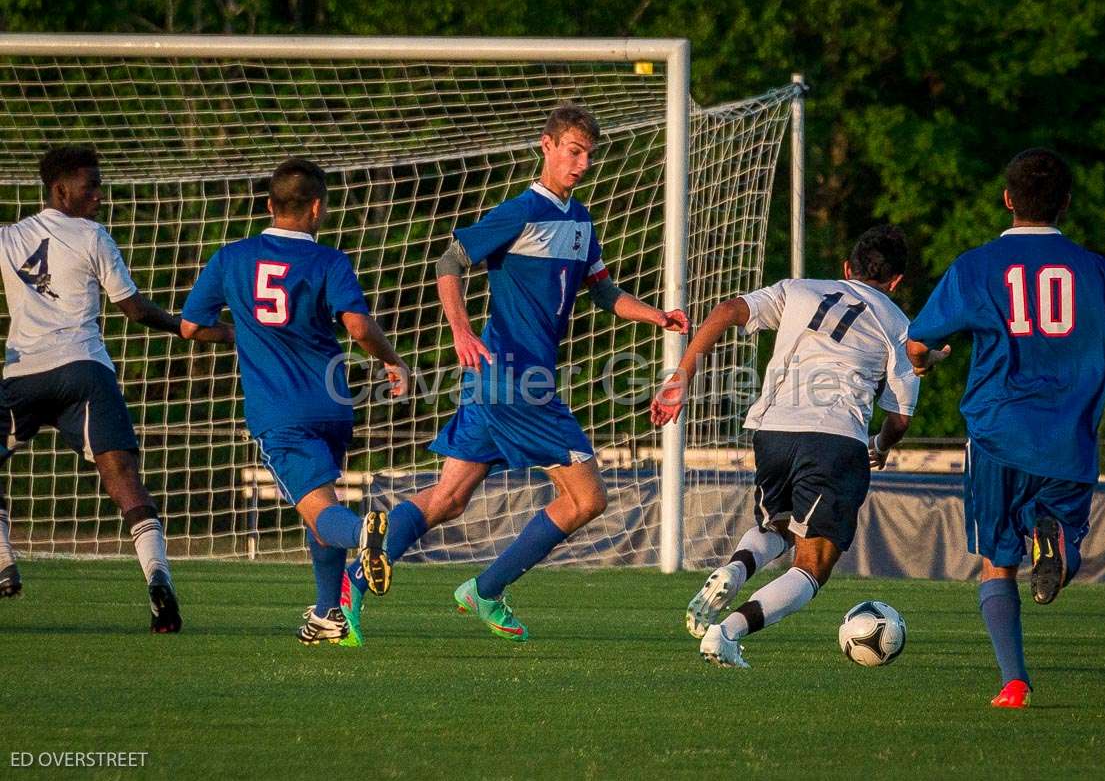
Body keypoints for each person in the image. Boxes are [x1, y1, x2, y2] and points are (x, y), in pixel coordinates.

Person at [337, 102, 689, 646]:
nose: (581, 164)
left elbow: (603, 291)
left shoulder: (580, 220)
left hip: (504, 383)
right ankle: (487, 588)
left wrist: (655, 315)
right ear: (546, 146)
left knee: (449, 498)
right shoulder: (520, 211)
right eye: (573, 152)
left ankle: (350, 593)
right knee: (586, 499)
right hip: (513, 381)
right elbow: (448, 263)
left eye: (588, 156)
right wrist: (459, 329)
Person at [906, 148, 1105, 708]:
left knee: (997, 560)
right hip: (1070, 435)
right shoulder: (1095, 268)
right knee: (1063, 542)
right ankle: (1056, 536)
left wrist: (923, 363)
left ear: (1008, 200)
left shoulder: (975, 265)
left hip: (998, 430)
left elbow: (918, 341)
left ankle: (1013, 682)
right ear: (1065, 203)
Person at [651, 225, 919, 668]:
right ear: (896, 283)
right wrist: (882, 444)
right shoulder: (899, 325)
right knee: (812, 564)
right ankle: (727, 633)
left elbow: (725, 310)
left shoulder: (799, 289)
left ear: (846, 268)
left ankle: (736, 568)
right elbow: (901, 417)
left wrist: (681, 376)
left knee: (777, 524)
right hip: (836, 438)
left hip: (772, 429)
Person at [0, 146, 234, 632]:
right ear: (60, 189)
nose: (99, 195)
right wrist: (192, 329)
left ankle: (3, 560)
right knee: (123, 477)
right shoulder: (93, 236)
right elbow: (136, 311)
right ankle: (157, 577)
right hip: (84, 370)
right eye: (91, 185)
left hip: (21, 376)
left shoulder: (8, 238)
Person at [181, 158, 409, 645]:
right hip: (331, 404)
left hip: (279, 413)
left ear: (269, 205)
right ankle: (329, 614)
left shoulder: (232, 257)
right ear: (317, 208)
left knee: (325, 513)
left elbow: (191, 327)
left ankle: (364, 535)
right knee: (320, 506)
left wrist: (241, 333)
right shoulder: (329, 261)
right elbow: (358, 326)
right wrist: (393, 360)